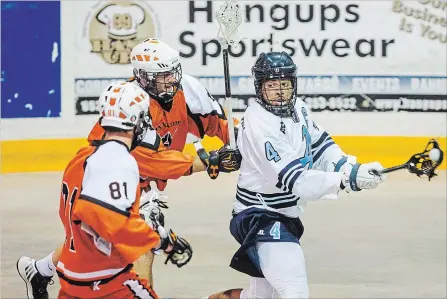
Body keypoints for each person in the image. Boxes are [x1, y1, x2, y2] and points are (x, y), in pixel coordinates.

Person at [17, 38, 241, 299]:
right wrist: (208, 162)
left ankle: (39, 270)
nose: (170, 80)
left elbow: (220, 123)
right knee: (136, 248)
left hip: (135, 183)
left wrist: (242, 142)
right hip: (122, 183)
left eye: (172, 72)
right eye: (162, 76)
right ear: (143, 77)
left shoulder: (188, 90)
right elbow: (150, 159)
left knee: (95, 240)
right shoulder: (129, 106)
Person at [206, 52, 387, 299]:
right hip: (260, 214)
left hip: (283, 213)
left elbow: (321, 145)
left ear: (294, 84)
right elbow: (298, 182)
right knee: (294, 290)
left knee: (261, 297)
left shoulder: (299, 108)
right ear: (260, 88)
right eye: (271, 86)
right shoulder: (260, 125)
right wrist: (347, 180)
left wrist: (348, 167)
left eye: (285, 85)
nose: (279, 92)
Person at [49, 81, 191, 298]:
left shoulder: (82, 157)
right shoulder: (120, 161)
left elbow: (72, 214)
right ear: (137, 121)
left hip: (71, 275)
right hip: (104, 280)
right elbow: (109, 219)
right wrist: (161, 241)